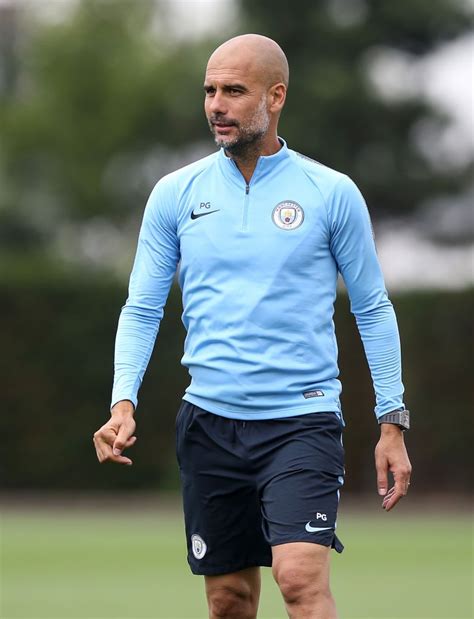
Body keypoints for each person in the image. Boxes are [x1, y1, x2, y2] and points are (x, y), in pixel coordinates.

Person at [93, 34, 412, 619]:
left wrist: (391, 421)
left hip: (302, 421)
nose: (217, 104)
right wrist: (123, 401)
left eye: (234, 91)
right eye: (210, 90)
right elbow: (141, 307)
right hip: (209, 425)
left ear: (276, 96)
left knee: (300, 581)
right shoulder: (174, 193)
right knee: (228, 600)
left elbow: (373, 308)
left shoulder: (331, 192)